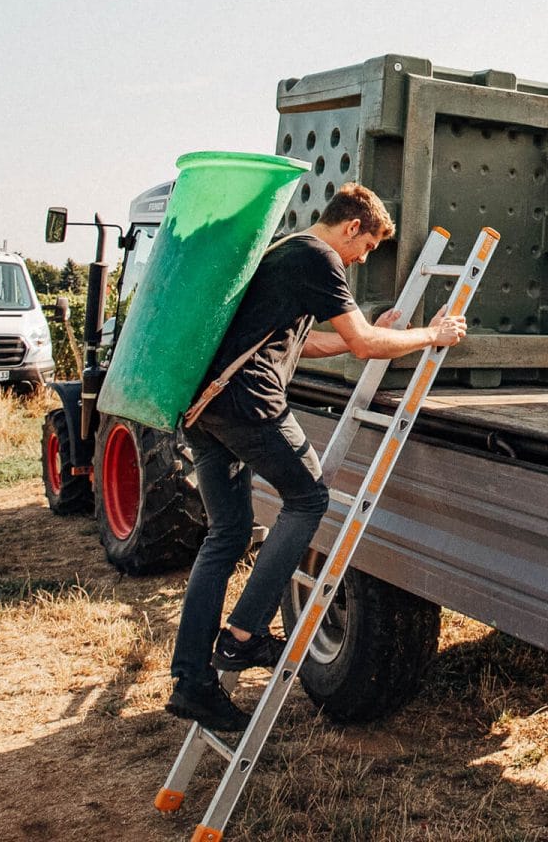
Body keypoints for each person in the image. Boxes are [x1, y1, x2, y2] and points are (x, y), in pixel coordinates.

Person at [166, 182, 467, 731]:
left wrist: (374, 330)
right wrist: (433, 334)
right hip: (247, 404)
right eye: (369, 246)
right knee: (308, 499)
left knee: (226, 534)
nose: (363, 258)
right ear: (352, 227)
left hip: (206, 406)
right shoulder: (320, 256)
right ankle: (242, 636)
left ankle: (192, 682)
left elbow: (302, 345)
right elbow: (362, 347)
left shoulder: (283, 250)